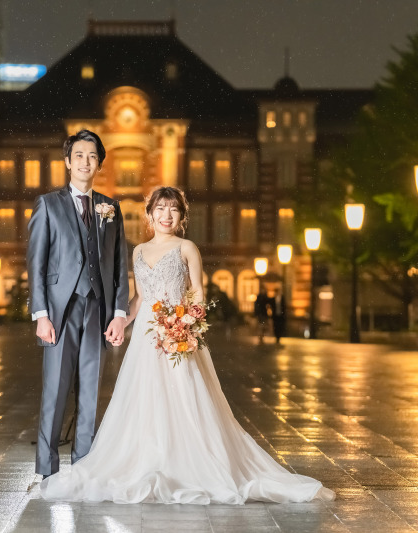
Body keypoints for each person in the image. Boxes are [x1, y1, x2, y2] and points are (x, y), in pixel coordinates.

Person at [40, 186, 335, 504]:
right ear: (150, 214)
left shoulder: (187, 248)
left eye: (173, 209)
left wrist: (184, 322)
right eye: (160, 209)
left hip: (178, 334)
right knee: (142, 400)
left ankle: (193, 464)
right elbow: (140, 297)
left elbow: (197, 293)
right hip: (145, 338)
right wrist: (122, 322)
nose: (166, 215)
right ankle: (148, 459)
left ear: (181, 216)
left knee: (186, 399)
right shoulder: (138, 251)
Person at [26, 129, 129, 479]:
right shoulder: (47, 204)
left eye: (93, 156)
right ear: (68, 161)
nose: (86, 161)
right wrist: (40, 314)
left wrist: (118, 313)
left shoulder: (111, 208)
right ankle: (47, 468)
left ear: (99, 163)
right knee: (55, 390)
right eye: (80, 155)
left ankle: (83, 467)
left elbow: (119, 266)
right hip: (59, 310)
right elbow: (36, 263)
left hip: (97, 309)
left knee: (90, 391)